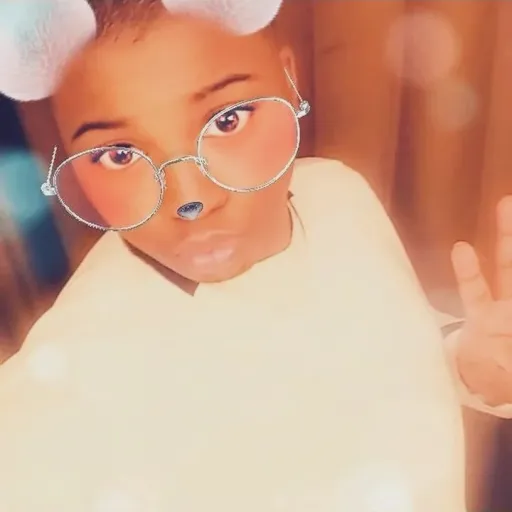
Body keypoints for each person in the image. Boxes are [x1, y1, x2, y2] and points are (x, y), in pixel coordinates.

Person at [0, 0, 510, 510]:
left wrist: (472, 363)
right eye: (119, 155)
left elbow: (390, 354)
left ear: (288, 79)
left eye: (227, 121)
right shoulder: (68, 385)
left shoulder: (335, 189)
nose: (190, 199)